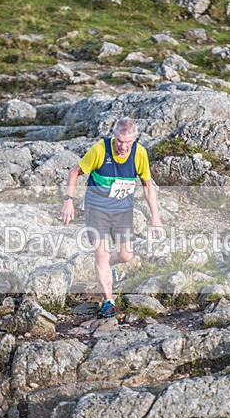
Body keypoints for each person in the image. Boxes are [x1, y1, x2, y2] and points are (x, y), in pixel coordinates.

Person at [61, 117, 163, 319]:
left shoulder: (139, 154)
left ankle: (108, 267)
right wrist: (68, 201)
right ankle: (108, 301)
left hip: (122, 210)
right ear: (114, 136)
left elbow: (148, 186)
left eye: (128, 143)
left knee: (126, 256)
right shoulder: (100, 150)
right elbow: (74, 172)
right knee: (100, 253)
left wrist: (156, 218)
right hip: (96, 207)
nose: (123, 147)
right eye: (119, 141)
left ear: (134, 140)